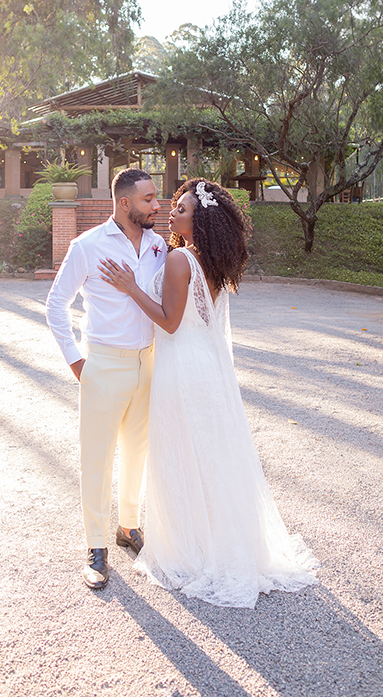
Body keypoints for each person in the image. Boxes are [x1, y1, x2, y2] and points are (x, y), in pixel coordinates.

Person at [99, 177, 320, 608]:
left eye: (182, 209)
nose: (172, 212)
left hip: (182, 368)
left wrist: (130, 288)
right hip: (208, 368)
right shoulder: (213, 263)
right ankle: (222, 541)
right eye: (175, 207)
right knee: (210, 458)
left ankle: (191, 550)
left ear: (199, 220)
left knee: (181, 456)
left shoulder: (182, 259)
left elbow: (169, 321)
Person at [46, 168, 167, 590]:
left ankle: (128, 527)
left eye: (157, 198)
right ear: (124, 203)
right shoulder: (87, 246)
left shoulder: (158, 245)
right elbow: (55, 304)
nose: (157, 205)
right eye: (149, 199)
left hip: (148, 363)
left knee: (138, 450)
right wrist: (77, 362)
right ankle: (96, 545)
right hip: (103, 364)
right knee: (96, 457)